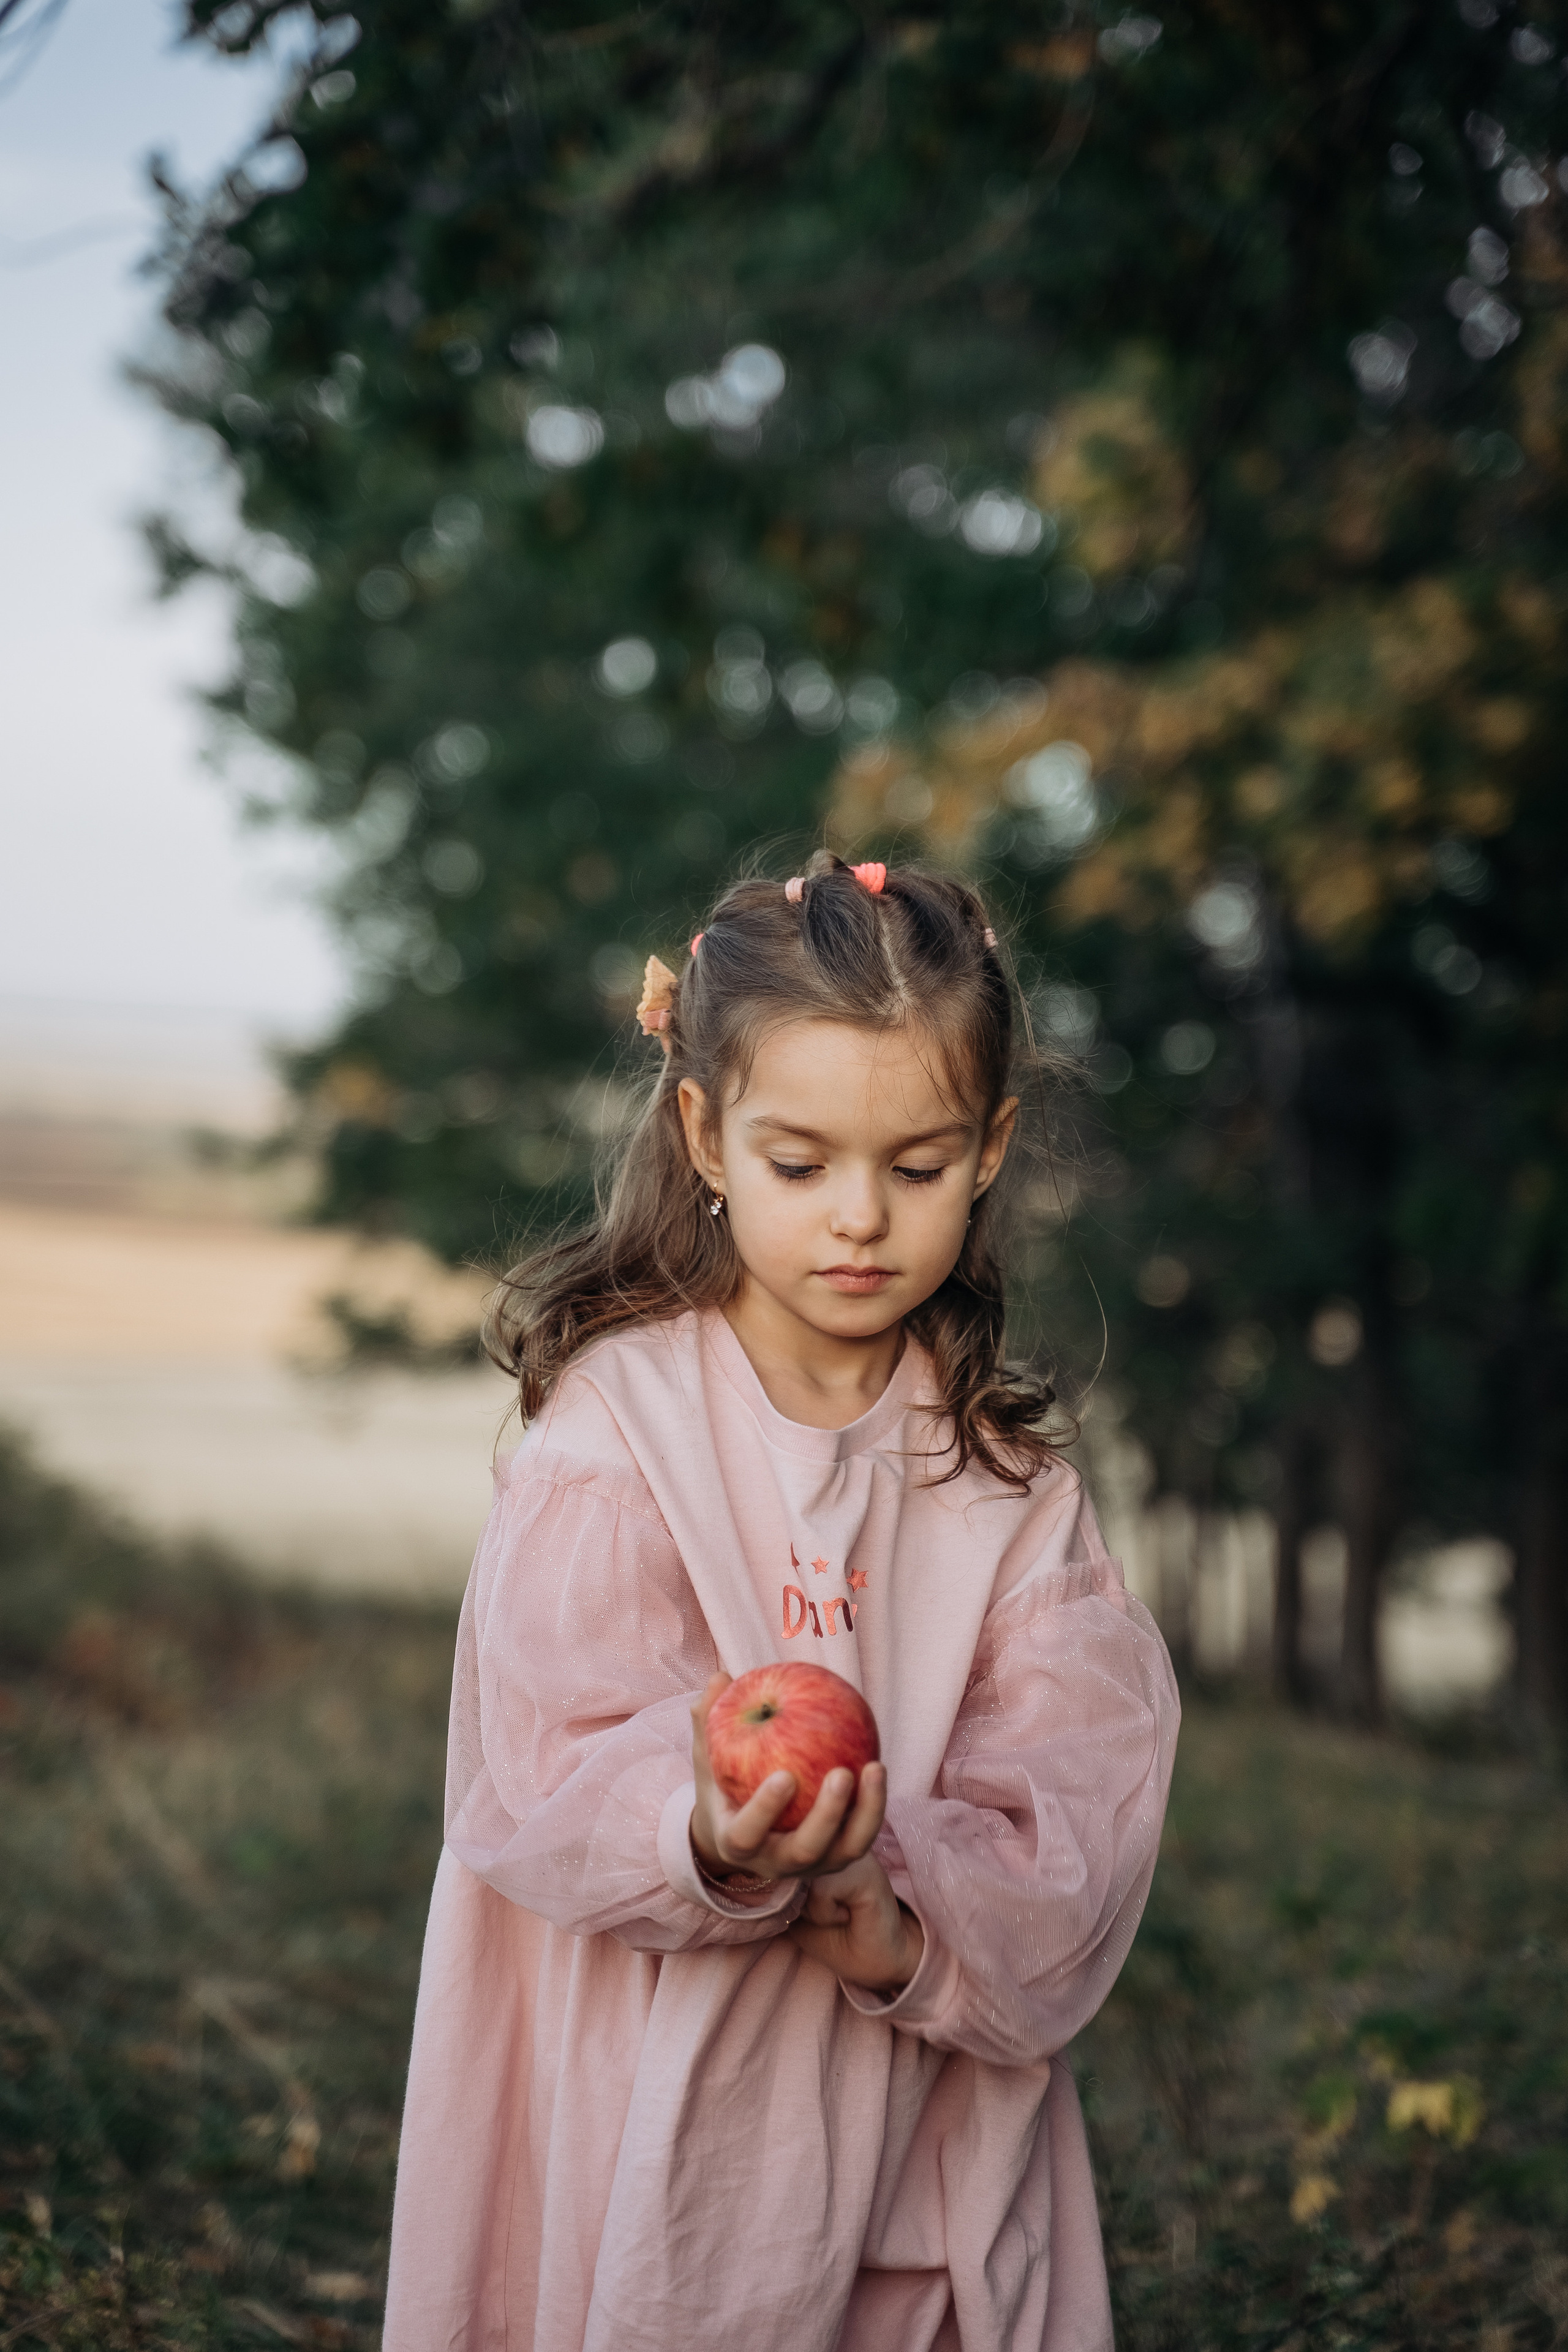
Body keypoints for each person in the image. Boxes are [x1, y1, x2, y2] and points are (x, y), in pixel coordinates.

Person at [382, 852, 1180, 2352]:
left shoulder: (1005, 1485)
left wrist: (902, 1918)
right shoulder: (620, 1434)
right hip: (655, 2082)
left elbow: (1075, 1807)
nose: (859, 1221)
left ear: (993, 1147)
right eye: (800, 1166)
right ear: (704, 1133)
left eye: (918, 1165)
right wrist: (696, 1822)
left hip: (905, 2070)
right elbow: (539, 1766)